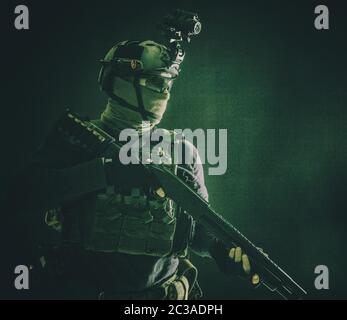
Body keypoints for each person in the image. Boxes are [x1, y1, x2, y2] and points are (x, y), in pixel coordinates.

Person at [7, 40, 259, 299]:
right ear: (119, 82)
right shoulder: (78, 141)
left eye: (168, 83)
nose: (164, 92)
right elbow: (19, 197)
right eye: (154, 82)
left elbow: (194, 231)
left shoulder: (182, 152)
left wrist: (221, 252)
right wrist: (104, 171)